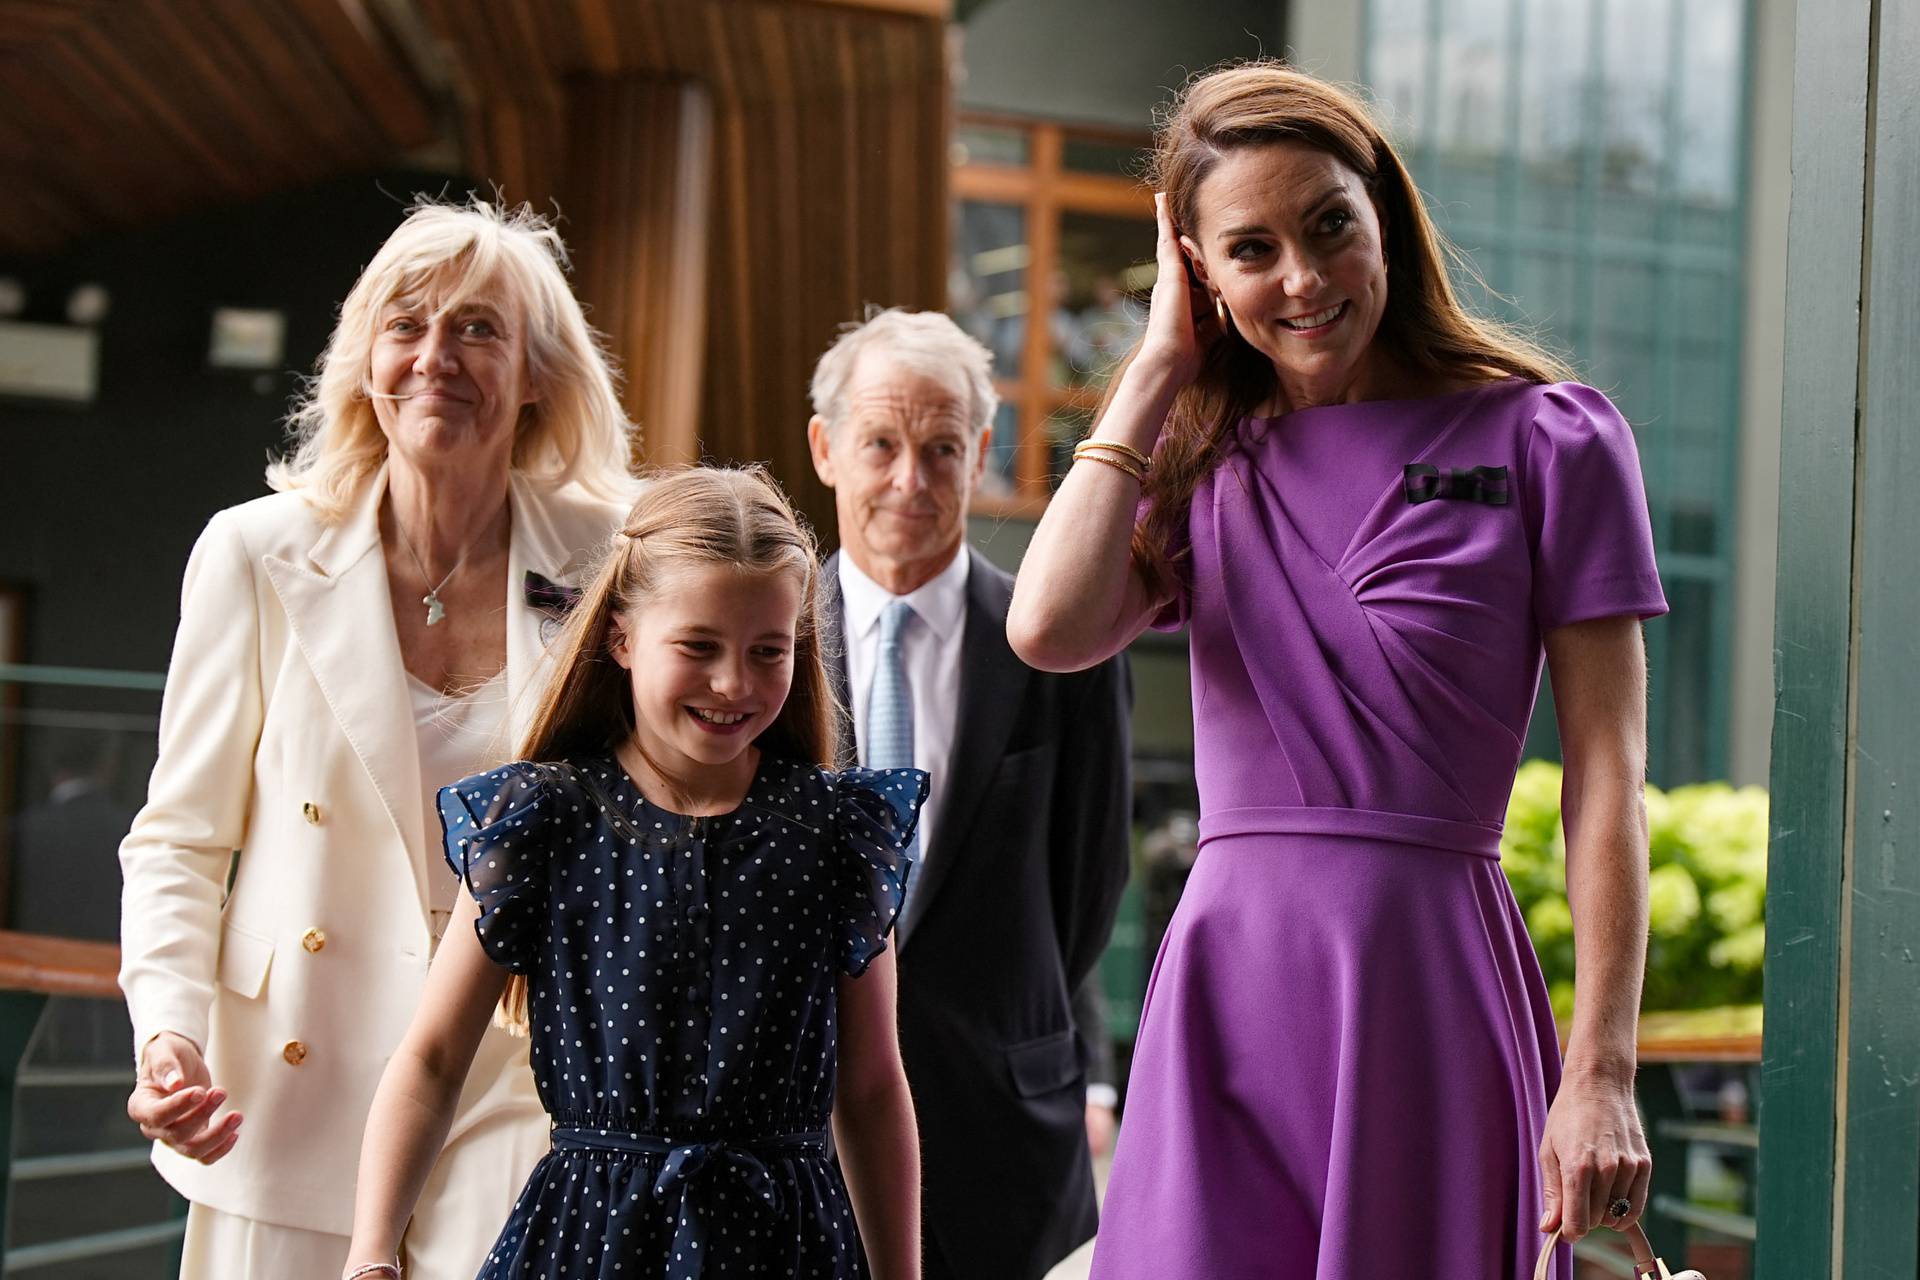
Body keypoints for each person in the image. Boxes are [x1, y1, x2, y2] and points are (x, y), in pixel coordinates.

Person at [1005, 62, 1665, 1280]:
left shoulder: (1550, 435)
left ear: (1384, 220)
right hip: (1227, 988)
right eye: (1250, 249)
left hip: (1429, 989)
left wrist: (1602, 1068)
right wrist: (1155, 372)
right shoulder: (1202, 456)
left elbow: (1609, 777)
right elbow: (1046, 626)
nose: (1303, 278)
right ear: (1198, 274)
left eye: (1327, 226)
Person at [118, 199, 636, 1279]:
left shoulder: (611, 559)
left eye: (478, 329)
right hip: (285, 1084)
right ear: (365, 362)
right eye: (407, 326)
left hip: (513, 1093)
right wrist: (166, 1027)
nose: (435, 357)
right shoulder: (255, 553)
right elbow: (180, 837)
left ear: (539, 373)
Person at [341, 466, 923, 1280]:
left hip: (788, 1248)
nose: (734, 684)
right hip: (587, 1243)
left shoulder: (837, 832)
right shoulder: (541, 819)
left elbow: (870, 1088)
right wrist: (372, 1252)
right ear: (621, 636)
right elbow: (434, 1058)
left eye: (767, 652)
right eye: (698, 646)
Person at [805, 309, 1133, 1279]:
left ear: (982, 452)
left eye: (942, 448)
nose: (910, 480)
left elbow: (1089, 886)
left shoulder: (1060, 639)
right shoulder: (766, 646)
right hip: (804, 1138)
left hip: (1007, 1144)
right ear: (826, 449)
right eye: (881, 444)